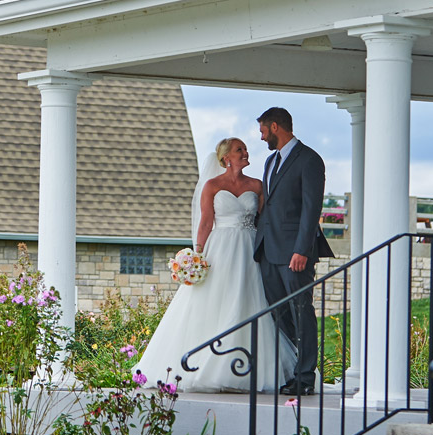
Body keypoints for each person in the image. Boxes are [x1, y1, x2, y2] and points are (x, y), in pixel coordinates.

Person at [135, 137, 296, 392]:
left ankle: (246, 370)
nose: (245, 152)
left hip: (250, 248)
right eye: (239, 149)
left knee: (248, 300)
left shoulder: (257, 185)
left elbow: (264, 221)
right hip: (220, 249)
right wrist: (195, 257)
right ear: (226, 158)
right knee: (214, 302)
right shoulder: (211, 185)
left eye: (244, 148)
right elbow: (206, 223)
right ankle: (202, 366)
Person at [252, 107, 335, 397]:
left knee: (301, 312)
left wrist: (302, 249)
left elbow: (311, 209)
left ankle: (305, 377)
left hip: (294, 255)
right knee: (279, 313)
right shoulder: (269, 161)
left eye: (263, 131)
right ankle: (290, 369)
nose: (261, 138)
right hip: (268, 251)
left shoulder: (309, 160)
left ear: (275, 127)